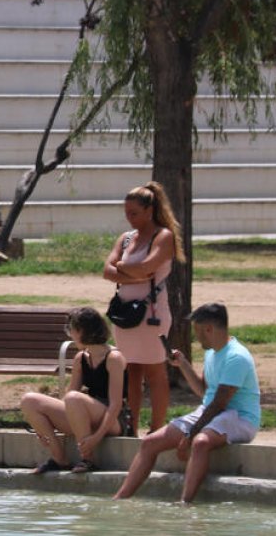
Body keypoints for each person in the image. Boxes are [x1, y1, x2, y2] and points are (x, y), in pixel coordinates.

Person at [114, 303, 261, 503]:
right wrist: (183, 364)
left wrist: (190, 435)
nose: (195, 336)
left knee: (200, 443)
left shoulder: (236, 357)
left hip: (240, 418)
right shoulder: (212, 352)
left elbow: (219, 404)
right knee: (149, 443)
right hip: (212, 413)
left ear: (208, 329)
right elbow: (205, 392)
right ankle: (120, 498)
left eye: (197, 330)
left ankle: (185, 503)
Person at [103, 181, 185, 434]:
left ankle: (156, 429)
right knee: (132, 371)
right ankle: (132, 426)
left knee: (154, 371)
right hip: (126, 314)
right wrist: (133, 275)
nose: (129, 218)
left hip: (151, 316)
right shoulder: (126, 239)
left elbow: (146, 267)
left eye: (134, 213)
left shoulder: (164, 236)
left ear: (149, 211)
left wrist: (124, 269)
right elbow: (107, 270)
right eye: (126, 213)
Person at [20, 307, 129, 474]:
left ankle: (88, 459)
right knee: (29, 400)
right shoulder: (81, 358)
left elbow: (115, 405)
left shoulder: (114, 358)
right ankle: (59, 458)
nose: (69, 335)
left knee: (74, 398)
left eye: (72, 330)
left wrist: (96, 438)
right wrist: (45, 427)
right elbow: (66, 402)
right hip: (85, 414)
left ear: (84, 331)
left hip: (113, 419)